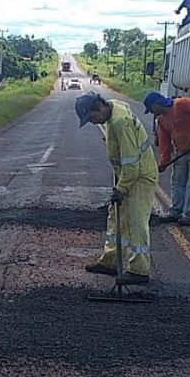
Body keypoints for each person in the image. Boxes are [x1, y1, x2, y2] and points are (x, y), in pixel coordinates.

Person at [75, 92, 158, 285]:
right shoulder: (113, 107)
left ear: (98, 107)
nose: (93, 122)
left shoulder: (121, 122)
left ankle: (139, 270)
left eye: (92, 117)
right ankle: (110, 262)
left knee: (135, 220)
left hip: (140, 177)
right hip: (126, 176)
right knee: (116, 217)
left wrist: (120, 189)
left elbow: (132, 165)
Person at [143, 92, 190, 226]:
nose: (152, 113)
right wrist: (163, 162)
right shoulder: (161, 121)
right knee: (177, 182)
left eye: (151, 109)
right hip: (181, 151)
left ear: (156, 104)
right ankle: (175, 212)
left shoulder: (180, 104)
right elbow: (164, 144)